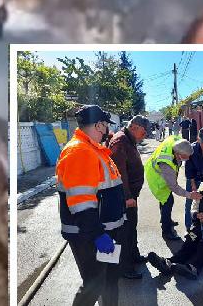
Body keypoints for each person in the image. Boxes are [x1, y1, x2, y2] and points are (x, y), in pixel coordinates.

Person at [55, 105, 125, 306]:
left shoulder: (94, 149)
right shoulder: (80, 152)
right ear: (98, 125)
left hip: (105, 231)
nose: (107, 131)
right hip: (89, 235)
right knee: (94, 285)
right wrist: (97, 235)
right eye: (105, 126)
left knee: (110, 279)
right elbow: (82, 203)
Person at [146, 178, 203, 279]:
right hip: (198, 225)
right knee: (190, 240)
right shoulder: (199, 195)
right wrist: (197, 215)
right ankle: (170, 262)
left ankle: (193, 267)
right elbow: (193, 210)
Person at [108, 116, 149, 280]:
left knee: (132, 229)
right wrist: (127, 197)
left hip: (131, 197)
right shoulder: (120, 141)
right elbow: (119, 174)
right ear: (134, 127)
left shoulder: (129, 139)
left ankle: (133, 256)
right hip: (124, 199)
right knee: (124, 233)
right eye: (144, 131)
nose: (145, 135)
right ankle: (125, 268)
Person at [143, 136, 203, 240]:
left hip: (159, 171)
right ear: (178, 154)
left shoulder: (177, 142)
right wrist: (190, 195)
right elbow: (174, 187)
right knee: (167, 201)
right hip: (156, 178)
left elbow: (174, 137)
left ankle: (165, 220)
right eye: (185, 156)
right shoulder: (167, 164)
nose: (188, 159)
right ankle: (166, 231)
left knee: (166, 200)